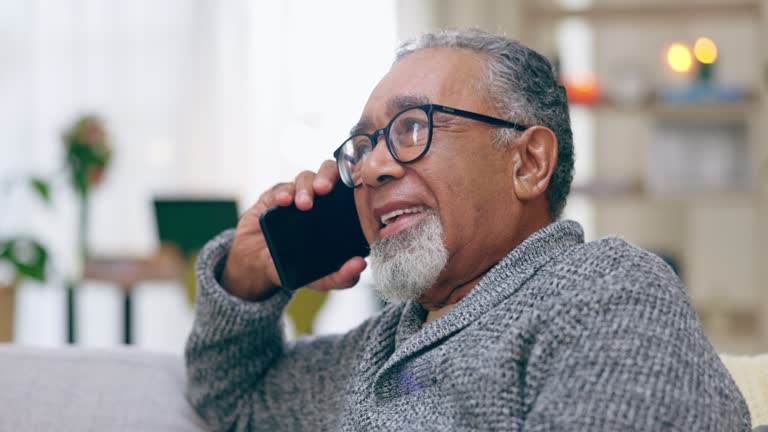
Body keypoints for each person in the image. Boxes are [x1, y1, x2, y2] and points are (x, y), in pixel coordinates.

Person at [185, 30, 750, 431]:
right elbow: (234, 398)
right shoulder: (375, 349)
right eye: (363, 146)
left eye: (412, 128)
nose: (374, 167)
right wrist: (246, 277)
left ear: (527, 163)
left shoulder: (608, 293)